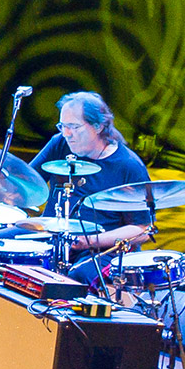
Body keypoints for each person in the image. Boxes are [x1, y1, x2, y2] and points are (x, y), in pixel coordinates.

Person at [27, 91, 155, 282]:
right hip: (52, 236)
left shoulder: (128, 166)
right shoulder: (59, 144)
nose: (66, 134)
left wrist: (89, 241)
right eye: (63, 126)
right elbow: (25, 183)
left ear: (99, 126)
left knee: (78, 275)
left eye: (74, 127)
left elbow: (142, 229)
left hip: (102, 249)